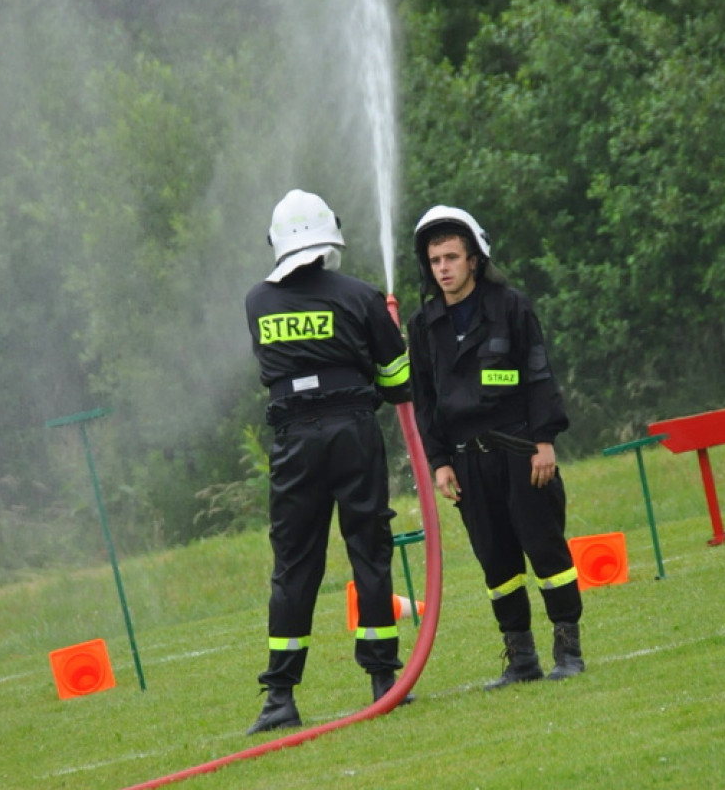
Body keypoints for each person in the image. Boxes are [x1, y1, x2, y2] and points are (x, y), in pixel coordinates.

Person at [244, 189, 412, 734]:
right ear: (329, 235)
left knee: (295, 565)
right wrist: (389, 334)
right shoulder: (361, 297)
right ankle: (384, 681)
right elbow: (397, 383)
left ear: (277, 242)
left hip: (294, 443)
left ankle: (280, 697)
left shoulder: (257, 302)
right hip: (352, 437)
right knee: (369, 550)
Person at [406, 205, 585, 689]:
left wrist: (544, 441)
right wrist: (439, 462)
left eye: (451, 257)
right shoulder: (422, 327)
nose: (442, 268)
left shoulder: (511, 306)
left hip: (521, 452)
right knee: (496, 561)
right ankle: (520, 658)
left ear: (474, 260)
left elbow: (538, 376)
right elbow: (424, 401)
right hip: (466, 461)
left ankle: (568, 649)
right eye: (435, 260)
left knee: (545, 549)